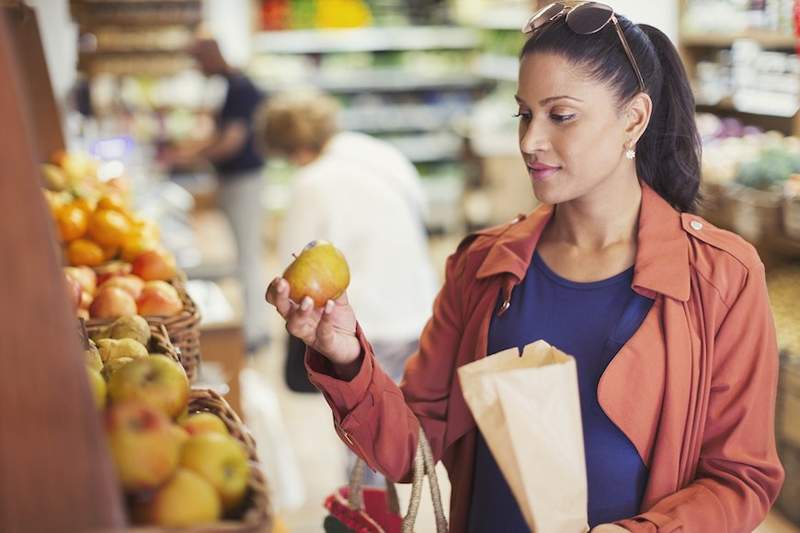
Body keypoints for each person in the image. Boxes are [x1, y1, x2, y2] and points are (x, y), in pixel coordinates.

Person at [265, 3, 785, 532]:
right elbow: (409, 451)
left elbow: (739, 478)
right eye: (524, 113)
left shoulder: (720, 278)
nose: (531, 141)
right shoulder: (484, 267)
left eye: (561, 115)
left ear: (634, 119)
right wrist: (346, 356)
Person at [256, 90, 439, 482]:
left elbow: (294, 274)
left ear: (294, 148)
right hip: (420, 306)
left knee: (368, 433)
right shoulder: (377, 153)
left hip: (368, 321)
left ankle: (370, 517)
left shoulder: (312, 183)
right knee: (408, 428)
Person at [164, 37, 270, 354]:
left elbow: (231, 142)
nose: (198, 69)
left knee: (248, 255)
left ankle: (255, 332)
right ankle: (251, 328)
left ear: (211, 57)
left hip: (245, 180)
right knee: (242, 254)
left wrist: (188, 157)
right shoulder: (229, 85)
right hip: (234, 179)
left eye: (199, 61)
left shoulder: (239, 88)